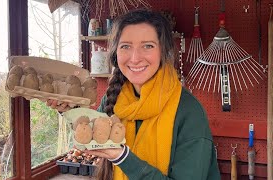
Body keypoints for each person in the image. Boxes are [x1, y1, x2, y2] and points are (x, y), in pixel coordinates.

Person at [47, 8, 220, 180]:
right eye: (126, 46)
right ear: (116, 52)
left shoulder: (189, 112)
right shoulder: (114, 98)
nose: (135, 58)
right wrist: (68, 108)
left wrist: (122, 158)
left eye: (148, 46)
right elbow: (91, 130)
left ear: (163, 51)